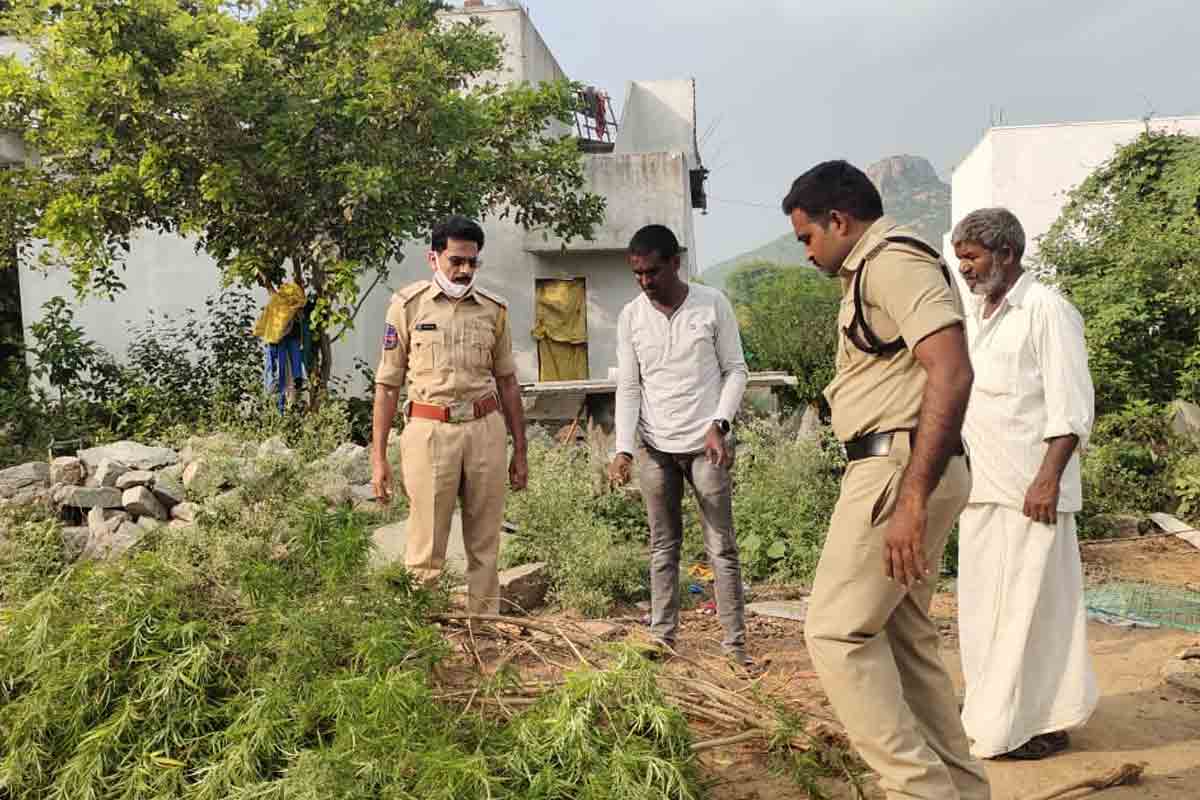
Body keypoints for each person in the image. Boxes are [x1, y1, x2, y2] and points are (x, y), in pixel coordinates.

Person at [782, 161, 991, 799]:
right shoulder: (873, 269)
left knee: (837, 631)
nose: (807, 253)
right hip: (902, 466)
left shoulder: (894, 263)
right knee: (902, 638)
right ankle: (957, 788)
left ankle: (915, 788)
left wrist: (910, 500)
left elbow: (952, 371)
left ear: (838, 220)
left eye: (807, 237)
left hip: (898, 468)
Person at [952, 207, 1097, 760]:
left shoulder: (1047, 310)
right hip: (983, 488)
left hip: (1033, 493)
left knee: (1032, 612)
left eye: (972, 257)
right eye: (961, 257)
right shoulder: (979, 315)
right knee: (985, 610)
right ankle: (1004, 711)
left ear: (1006, 254)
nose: (964, 268)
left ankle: (1020, 725)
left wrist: (1046, 480)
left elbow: (1072, 407)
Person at [607, 224, 751, 667]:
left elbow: (736, 370)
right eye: (638, 274)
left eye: (653, 271)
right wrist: (624, 447)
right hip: (654, 448)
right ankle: (662, 638)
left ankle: (735, 647)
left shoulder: (712, 304)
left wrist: (719, 425)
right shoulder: (631, 316)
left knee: (721, 547)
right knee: (662, 545)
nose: (646, 282)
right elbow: (629, 387)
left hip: (704, 445)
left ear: (675, 263)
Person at [370, 215, 529, 615]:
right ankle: (423, 640)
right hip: (429, 432)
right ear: (433, 257)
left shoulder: (494, 310)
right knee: (426, 548)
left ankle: (483, 634)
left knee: (485, 545)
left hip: (484, 431)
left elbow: (508, 382)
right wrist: (378, 458)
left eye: (472, 262)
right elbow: (387, 385)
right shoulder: (406, 307)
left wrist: (520, 451)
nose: (464, 270)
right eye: (455, 261)